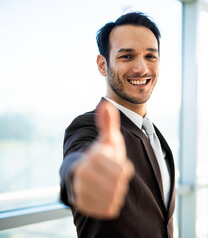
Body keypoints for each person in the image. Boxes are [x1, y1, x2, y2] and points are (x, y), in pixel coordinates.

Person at [59, 12, 175, 238]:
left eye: (151, 56)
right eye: (127, 57)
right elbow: (79, 159)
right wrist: (82, 177)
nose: (142, 68)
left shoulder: (155, 136)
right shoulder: (90, 127)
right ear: (103, 65)